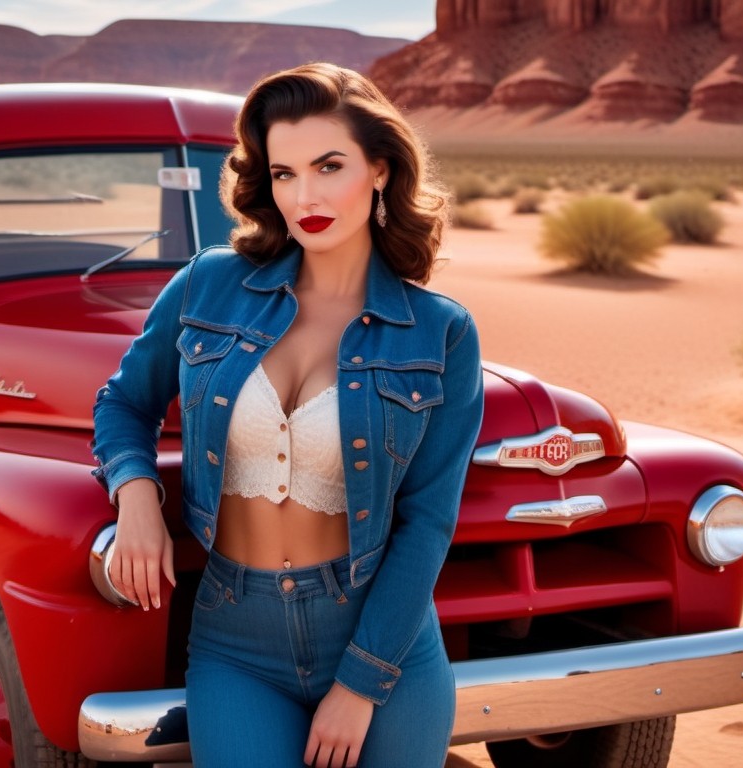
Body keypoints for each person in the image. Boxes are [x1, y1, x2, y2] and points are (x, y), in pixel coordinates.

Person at [90, 63, 484, 767]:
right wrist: (137, 496)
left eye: (329, 166)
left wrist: (361, 683)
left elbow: (428, 521)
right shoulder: (210, 283)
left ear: (381, 170)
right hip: (237, 640)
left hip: (380, 641)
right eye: (284, 173)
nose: (306, 196)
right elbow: (124, 400)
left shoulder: (440, 331)